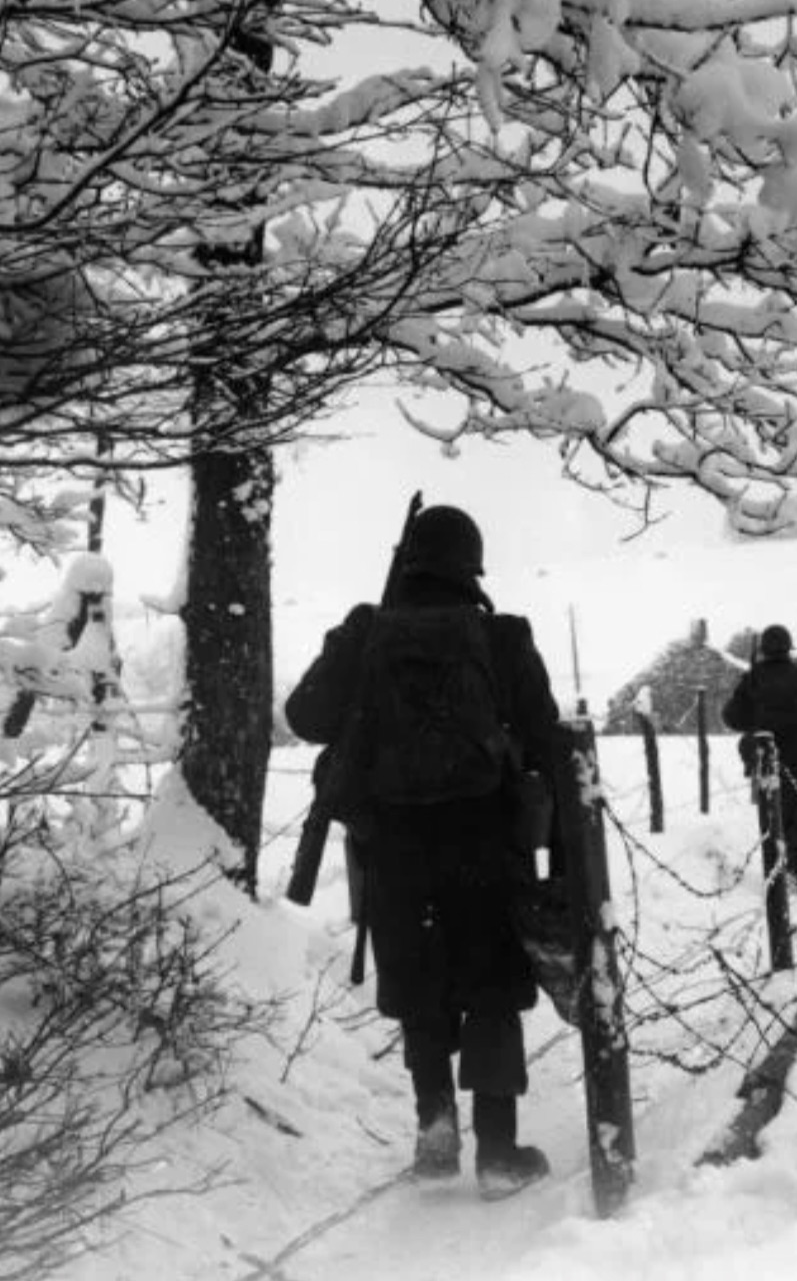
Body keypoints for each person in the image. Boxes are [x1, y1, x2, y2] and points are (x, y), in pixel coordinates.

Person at [284, 505, 560, 1201]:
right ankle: (497, 1153)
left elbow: (305, 716)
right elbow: (546, 735)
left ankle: (435, 1132)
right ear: (472, 566)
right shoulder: (501, 637)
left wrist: (355, 645)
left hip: (395, 847)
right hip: (485, 844)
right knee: (491, 989)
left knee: (420, 987)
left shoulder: (367, 632)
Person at [722, 624, 797, 887]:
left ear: (764, 649)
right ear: (789, 648)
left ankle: (775, 870)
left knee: (771, 812)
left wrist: (754, 713)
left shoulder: (753, 677)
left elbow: (732, 717)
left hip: (766, 756)